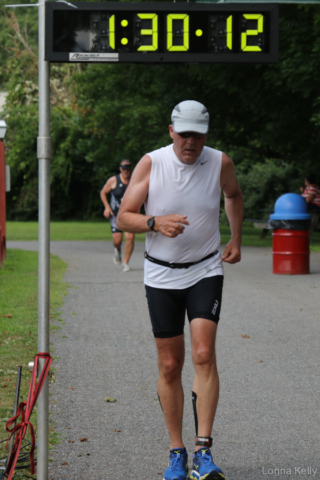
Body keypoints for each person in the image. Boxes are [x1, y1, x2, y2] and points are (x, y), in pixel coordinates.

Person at [117, 100, 243, 480]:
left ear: (207, 134)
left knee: (204, 354)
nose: (191, 141)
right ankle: (177, 452)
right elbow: (124, 216)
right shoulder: (151, 163)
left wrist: (236, 238)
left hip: (205, 268)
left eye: (198, 134)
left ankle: (203, 452)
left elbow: (233, 196)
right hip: (161, 275)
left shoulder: (220, 162)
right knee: (170, 364)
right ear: (171, 130)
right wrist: (155, 222)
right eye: (184, 133)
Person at [100, 160, 135, 271]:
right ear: (120, 169)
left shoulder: (134, 180)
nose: (126, 171)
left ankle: (126, 263)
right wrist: (107, 207)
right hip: (115, 214)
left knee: (130, 237)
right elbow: (103, 192)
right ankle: (117, 250)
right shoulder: (113, 180)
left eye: (128, 169)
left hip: (129, 214)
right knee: (117, 240)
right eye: (124, 169)